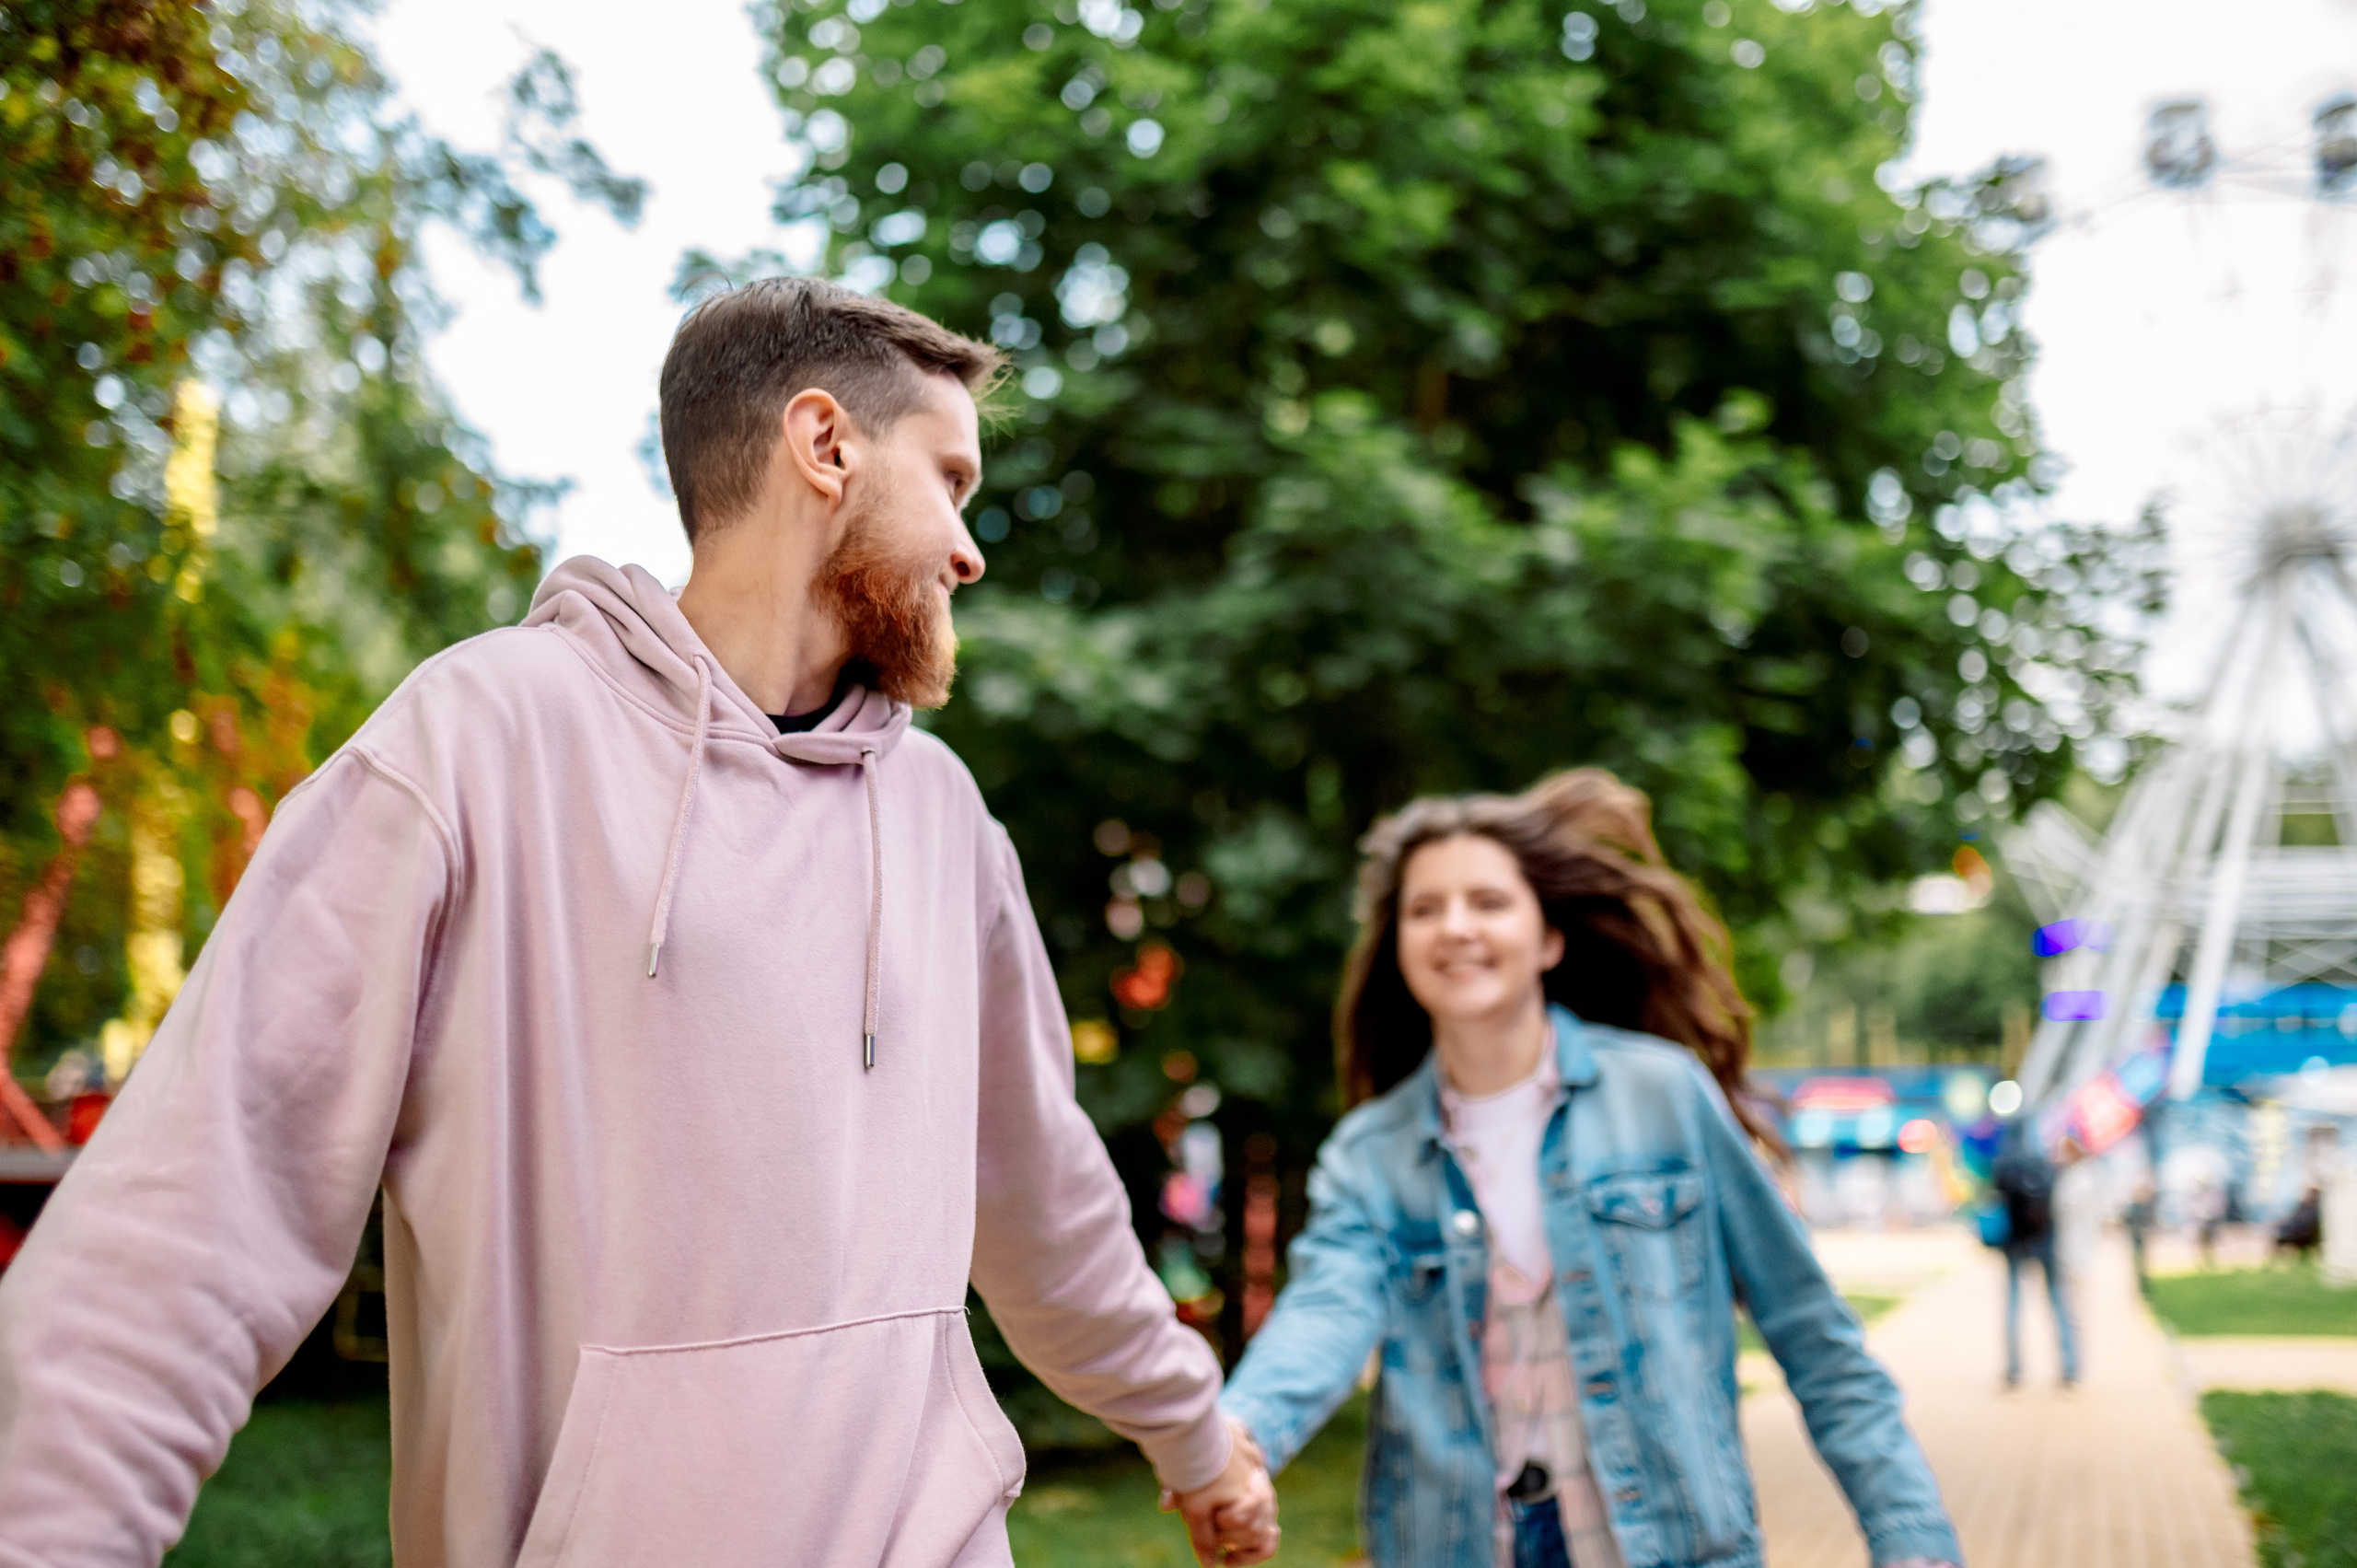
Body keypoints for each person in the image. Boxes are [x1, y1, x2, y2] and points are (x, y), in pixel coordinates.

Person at [0, 279, 1277, 1568]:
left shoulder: (945, 821)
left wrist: (1196, 1437)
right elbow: (199, 1211)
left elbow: (1047, 1204)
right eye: (950, 479)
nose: (969, 547)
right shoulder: (483, 740)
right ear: (825, 444)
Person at [1217, 772, 1961, 1568]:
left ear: (1548, 938)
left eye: (1488, 902)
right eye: (1424, 908)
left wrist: (1909, 1535)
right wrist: (1237, 1434)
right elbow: (1324, 1314)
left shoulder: (1663, 1093)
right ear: (1398, 946)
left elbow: (1815, 1337)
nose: (1455, 927)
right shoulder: (1370, 1152)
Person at [1991, 1125, 2078, 1389]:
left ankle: (2014, 1371)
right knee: (2058, 1305)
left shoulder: (2004, 1166)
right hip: (2046, 1243)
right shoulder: (2048, 1166)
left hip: (2015, 1244)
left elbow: (1996, 1202)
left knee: (2014, 1307)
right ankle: (2069, 1369)